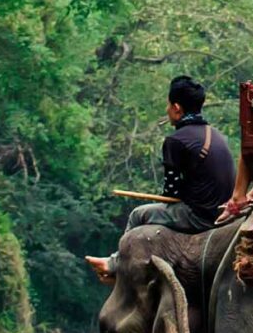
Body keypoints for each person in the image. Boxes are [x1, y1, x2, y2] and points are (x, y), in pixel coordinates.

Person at [88, 76, 234, 278]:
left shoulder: (175, 141)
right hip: (224, 212)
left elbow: (171, 192)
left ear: (176, 108)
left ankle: (116, 266)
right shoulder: (216, 134)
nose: (167, 109)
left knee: (138, 215)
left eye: (168, 104)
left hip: (201, 216)